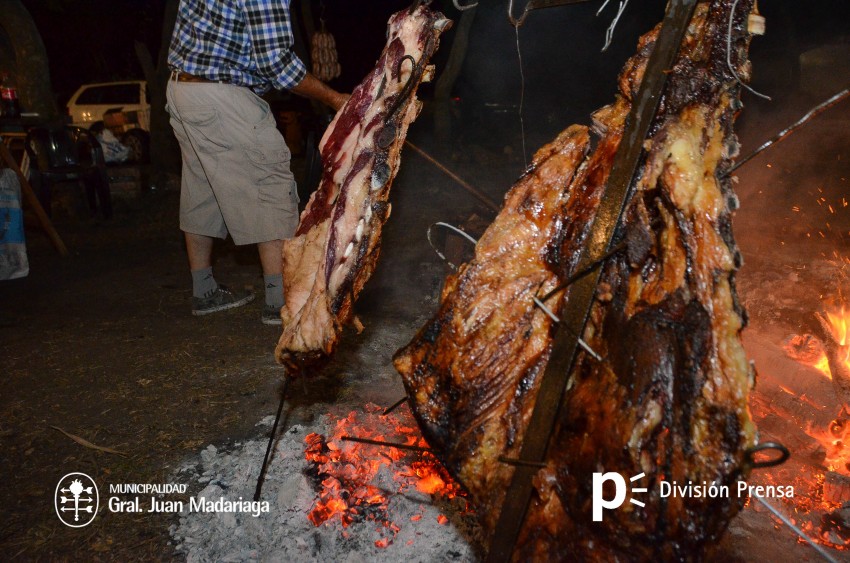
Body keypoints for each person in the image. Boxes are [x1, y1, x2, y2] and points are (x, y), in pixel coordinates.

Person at [166, 0, 348, 325]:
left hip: (183, 90)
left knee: (203, 188)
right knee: (270, 184)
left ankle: (203, 291)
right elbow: (278, 63)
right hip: (221, 95)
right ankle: (280, 303)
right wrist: (336, 100)